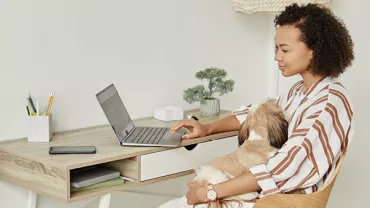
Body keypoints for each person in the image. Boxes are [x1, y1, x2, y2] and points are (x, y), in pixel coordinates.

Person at [159, 3, 355, 208]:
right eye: (276, 49)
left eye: (284, 50)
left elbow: (282, 168)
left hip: (282, 201)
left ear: (314, 51)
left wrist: (209, 193)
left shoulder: (328, 102)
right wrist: (207, 128)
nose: (277, 57)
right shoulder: (299, 91)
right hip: (265, 194)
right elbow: (255, 113)